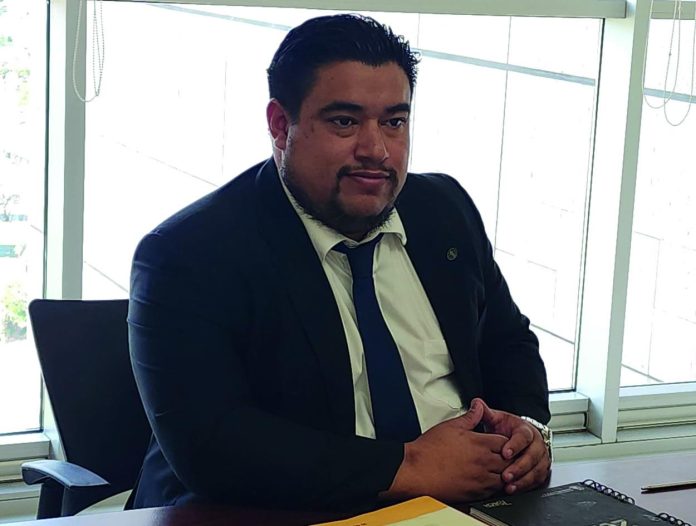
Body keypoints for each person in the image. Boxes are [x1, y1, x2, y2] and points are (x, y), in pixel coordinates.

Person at [128, 13, 551, 512]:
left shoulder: (444, 209)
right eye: (345, 122)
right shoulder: (189, 253)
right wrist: (407, 466)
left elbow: (507, 341)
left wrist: (527, 431)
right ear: (281, 125)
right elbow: (214, 445)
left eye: (394, 122)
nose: (376, 150)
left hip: (467, 502)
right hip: (275, 510)